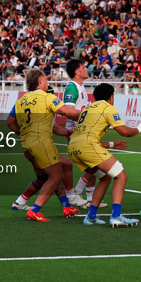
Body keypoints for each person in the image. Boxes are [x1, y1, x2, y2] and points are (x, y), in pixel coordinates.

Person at [9, 68, 82, 222]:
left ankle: (66, 206)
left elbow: (10, 122)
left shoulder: (21, 100)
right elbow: (66, 112)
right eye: (46, 80)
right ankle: (35, 210)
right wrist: (87, 113)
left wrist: (22, 133)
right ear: (40, 81)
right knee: (56, 175)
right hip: (41, 142)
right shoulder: (47, 97)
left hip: (26, 144)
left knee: (49, 175)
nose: (47, 82)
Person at [67, 83, 141, 227]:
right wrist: (140, 128)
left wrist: (111, 144)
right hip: (87, 146)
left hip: (73, 146)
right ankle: (116, 216)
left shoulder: (88, 108)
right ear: (111, 97)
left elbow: (87, 136)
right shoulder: (107, 107)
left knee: (105, 178)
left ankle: (90, 216)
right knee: (121, 176)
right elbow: (124, 131)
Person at [61, 58, 96, 208]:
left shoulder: (80, 86)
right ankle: (77, 191)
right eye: (83, 67)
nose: (86, 69)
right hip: (76, 133)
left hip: (83, 132)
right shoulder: (72, 88)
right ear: (77, 72)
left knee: (93, 164)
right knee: (94, 164)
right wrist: (87, 116)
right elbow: (69, 111)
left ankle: (91, 198)